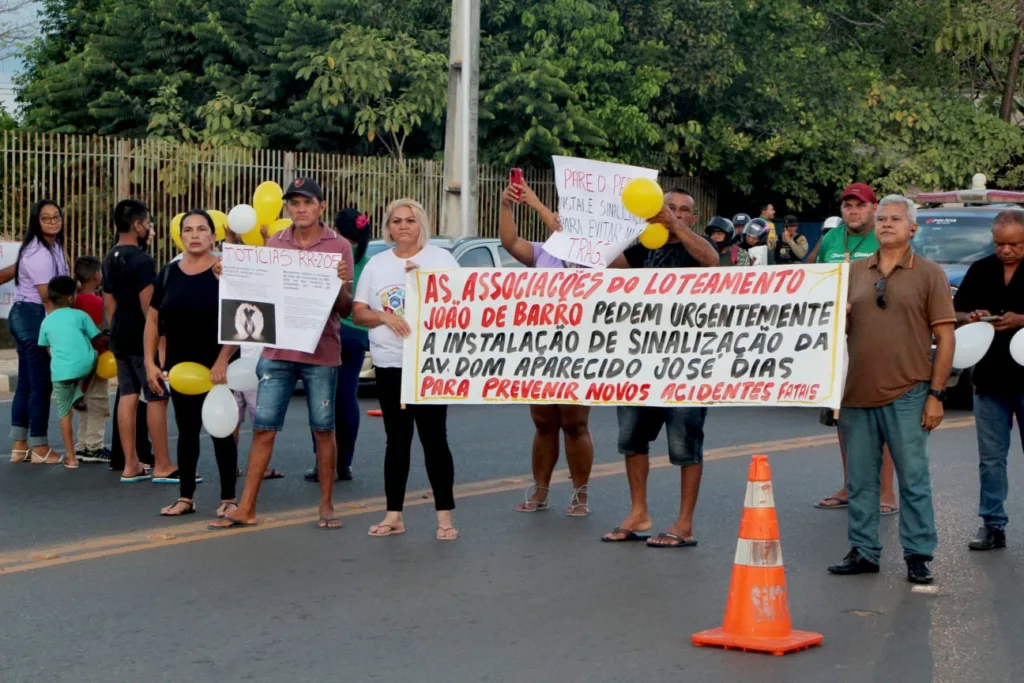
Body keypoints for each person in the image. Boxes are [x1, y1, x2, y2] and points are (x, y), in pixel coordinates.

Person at [209, 177, 354, 531]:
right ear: (287, 207)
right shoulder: (276, 241)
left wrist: (337, 283)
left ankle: (326, 505)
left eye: (307, 202)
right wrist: (227, 276)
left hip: (322, 351)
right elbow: (256, 293)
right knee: (263, 428)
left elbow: (346, 309)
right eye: (294, 203)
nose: (300, 208)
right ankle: (246, 507)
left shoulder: (339, 246)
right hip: (278, 350)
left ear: (321, 206)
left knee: (323, 430)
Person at [828, 195, 955, 585]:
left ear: (912, 228)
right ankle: (863, 550)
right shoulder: (851, 274)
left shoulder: (929, 273)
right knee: (861, 481)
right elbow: (831, 332)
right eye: (881, 218)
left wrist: (936, 395)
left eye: (895, 219)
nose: (886, 224)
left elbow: (945, 338)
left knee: (913, 480)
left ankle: (918, 555)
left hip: (909, 391)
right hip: (855, 393)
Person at [603, 187, 719, 548]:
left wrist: (674, 227)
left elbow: (712, 260)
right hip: (641, 360)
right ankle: (639, 512)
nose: (676, 213)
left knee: (685, 441)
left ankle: (684, 523)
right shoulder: (642, 246)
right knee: (632, 439)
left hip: (686, 361)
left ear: (692, 218)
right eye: (669, 208)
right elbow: (610, 267)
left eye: (684, 210)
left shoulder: (694, 246)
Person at [353, 198, 461, 540]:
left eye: (410, 221)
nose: (403, 226)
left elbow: (460, 304)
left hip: (429, 363)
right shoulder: (376, 265)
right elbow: (358, 312)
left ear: (421, 225)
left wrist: (427, 284)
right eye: (396, 221)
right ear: (388, 228)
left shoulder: (441, 260)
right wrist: (384, 315)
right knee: (396, 442)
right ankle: (393, 515)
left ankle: (445, 517)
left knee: (434, 440)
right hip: (390, 363)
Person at [499, 179, 594, 516]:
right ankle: (541, 491)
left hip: (578, 349)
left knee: (574, 423)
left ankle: (580, 493)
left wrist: (537, 204)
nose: (558, 220)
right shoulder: (543, 252)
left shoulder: (593, 255)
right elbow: (509, 241)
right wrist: (507, 205)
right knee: (543, 422)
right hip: (541, 349)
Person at [143, 210, 241, 518]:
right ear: (181, 236)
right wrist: (150, 362)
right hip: (181, 369)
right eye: (188, 230)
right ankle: (185, 497)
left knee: (222, 431)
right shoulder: (170, 273)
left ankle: (229, 498)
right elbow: (154, 318)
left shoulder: (225, 270)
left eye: (202, 229)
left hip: (218, 365)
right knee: (186, 431)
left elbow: (243, 317)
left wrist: (223, 360)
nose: (195, 235)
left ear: (214, 236)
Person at [809, 183, 898, 515]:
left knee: (883, 417)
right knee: (842, 415)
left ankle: (886, 492)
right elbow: (814, 276)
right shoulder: (832, 238)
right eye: (848, 206)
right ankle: (851, 486)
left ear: (874, 208)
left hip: (878, 336)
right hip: (837, 339)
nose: (853, 211)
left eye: (860, 206)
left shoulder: (886, 237)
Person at [953, 210, 1024, 551]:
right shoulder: (980, 269)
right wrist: (972, 316)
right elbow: (954, 313)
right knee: (991, 459)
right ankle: (992, 524)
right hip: (989, 379)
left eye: (1014, 244)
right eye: (1000, 244)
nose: (1006, 250)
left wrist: (1022, 319)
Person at [102, 199, 174, 483]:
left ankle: (130, 463)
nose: (150, 229)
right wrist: (160, 344)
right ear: (137, 226)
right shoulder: (142, 260)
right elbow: (150, 309)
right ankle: (164, 464)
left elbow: (109, 304)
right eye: (148, 224)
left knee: (128, 395)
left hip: (120, 333)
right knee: (156, 396)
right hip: (141, 335)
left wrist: (115, 330)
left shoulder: (110, 257)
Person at [305, 208, 373, 484]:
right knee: (347, 397)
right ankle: (343, 463)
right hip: (356, 335)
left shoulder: (329, 256)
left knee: (320, 398)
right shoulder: (369, 262)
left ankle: (324, 463)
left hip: (327, 330)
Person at [9, 200, 70, 464]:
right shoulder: (39, 253)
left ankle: (20, 445)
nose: (53, 221)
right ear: (37, 222)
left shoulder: (52, 246)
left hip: (28, 315)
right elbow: (48, 297)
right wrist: (55, 335)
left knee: (26, 382)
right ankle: (40, 447)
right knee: (40, 384)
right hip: (34, 317)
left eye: (56, 216)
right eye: (46, 218)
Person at [37, 275, 102, 469]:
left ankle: (71, 458)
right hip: (84, 367)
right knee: (95, 354)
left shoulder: (46, 322)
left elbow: (46, 347)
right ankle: (81, 391)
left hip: (61, 372)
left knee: (64, 415)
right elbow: (96, 337)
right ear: (72, 297)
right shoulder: (80, 316)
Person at [72, 256, 112, 464]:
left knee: (83, 401)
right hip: (96, 359)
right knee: (98, 402)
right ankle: (95, 446)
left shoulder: (74, 301)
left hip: (78, 358)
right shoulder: (98, 303)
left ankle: (82, 445)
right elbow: (100, 332)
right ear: (97, 276)